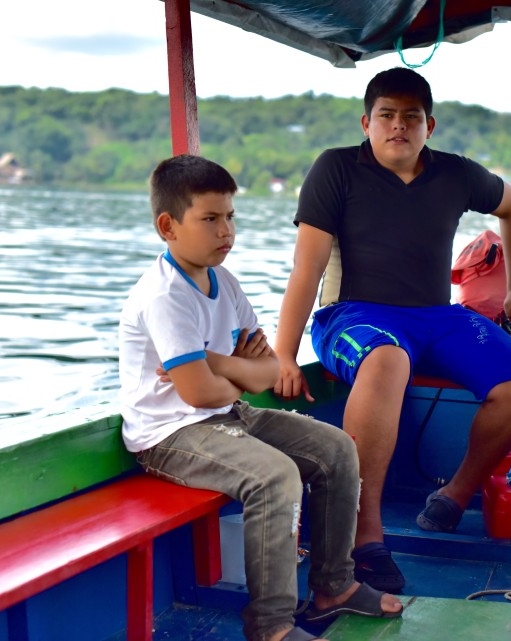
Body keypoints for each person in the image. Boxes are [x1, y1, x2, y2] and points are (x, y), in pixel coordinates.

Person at [273, 68, 511, 593]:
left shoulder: (456, 174)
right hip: (352, 315)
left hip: (435, 316)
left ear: (429, 125)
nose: (399, 126)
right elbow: (305, 269)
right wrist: (285, 354)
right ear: (367, 122)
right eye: (387, 115)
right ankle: (365, 531)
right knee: (387, 359)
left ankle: (455, 495)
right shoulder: (336, 169)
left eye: (411, 117)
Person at [119, 154, 402, 641]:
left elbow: (268, 370)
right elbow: (198, 394)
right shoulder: (165, 296)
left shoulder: (223, 281)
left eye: (230, 217)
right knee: (275, 476)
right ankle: (270, 624)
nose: (225, 231)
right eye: (210, 219)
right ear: (168, 226)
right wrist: (238, 374)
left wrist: (221, 363)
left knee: (337, 450)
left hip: (226, 415)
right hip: (168, 434)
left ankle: (333, 586)